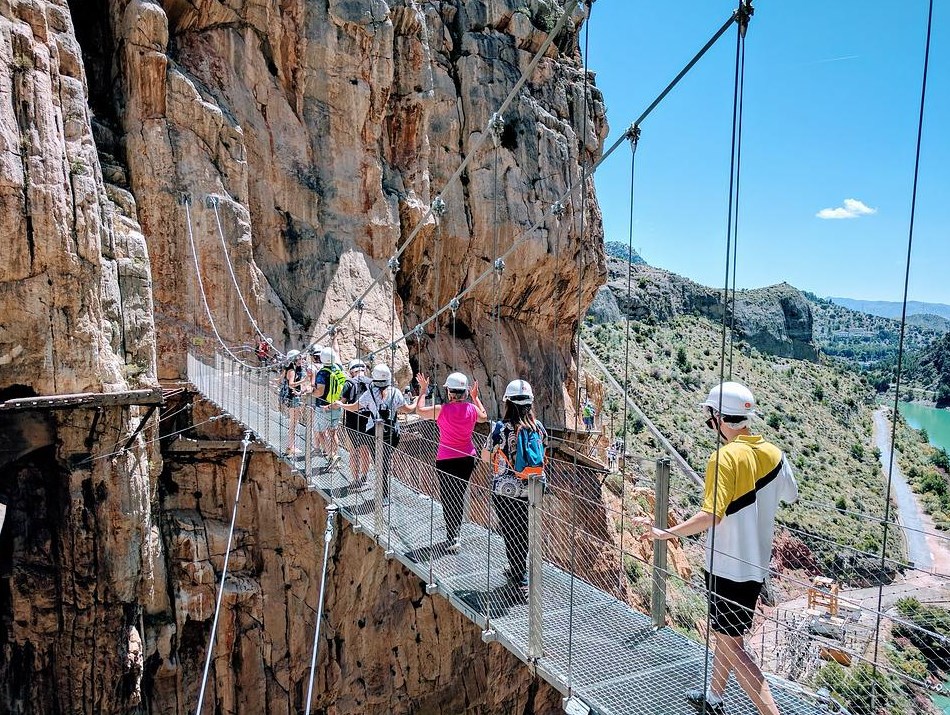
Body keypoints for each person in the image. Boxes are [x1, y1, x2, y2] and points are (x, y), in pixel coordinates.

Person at [638, 381, 798, 715]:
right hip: (755, 568)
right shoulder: (774, 455)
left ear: (717, 418)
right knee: (728, 635)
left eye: (709, 416)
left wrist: (668, 532)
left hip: (726, 568)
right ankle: (714, 696)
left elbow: (710, 515)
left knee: (733, 645)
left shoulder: (722, 458)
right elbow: (791, 496)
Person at [482, 379, 546, 595]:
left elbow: (484, 456)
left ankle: (521, 577)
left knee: (510, 532)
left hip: (505, 490)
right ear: (530, 403)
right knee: (525, 531)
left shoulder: (500, 428)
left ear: (507, 403)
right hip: (533, 489)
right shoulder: (538, 427)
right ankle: (520, 571)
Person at [415, 371, 487, 553]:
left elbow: (419, 411)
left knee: (448, 497)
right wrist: (476, 398)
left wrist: (423, 390)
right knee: (459, 494)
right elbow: (484, 417)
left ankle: (453, 535)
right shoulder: (471, 409)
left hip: (446, 459)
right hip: (468, 458)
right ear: (465, 392)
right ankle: (456, 532)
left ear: (449, 393)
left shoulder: (442, 410)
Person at [335, 364, 415, 503]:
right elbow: (407, 410)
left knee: (379, 462)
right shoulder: (395, 393)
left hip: (373, 434)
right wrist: (419, 399)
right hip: (392, 433)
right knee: (384, 462)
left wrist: (341, 404)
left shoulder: (370, 393)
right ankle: (383, 494)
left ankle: (382, 494)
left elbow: (354, 407)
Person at [340, 358, 372, 488]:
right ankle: (364, 477)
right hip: (369, 420)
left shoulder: (349, 383)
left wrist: (333, 405)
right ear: (364, 369)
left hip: (352, 421)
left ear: (352, 371)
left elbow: (342, 401)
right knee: (365, 450)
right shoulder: (372, 383)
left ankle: (355, 480)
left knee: (353, 452)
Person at [313, 347, 346, 471]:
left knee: (321, 433)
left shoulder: (322, 373)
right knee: (333, 433)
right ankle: (335, 455)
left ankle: (331, 457)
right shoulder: (338, 368)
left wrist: (311, 392)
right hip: (336, 406)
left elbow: (320, 392)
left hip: (323, 407)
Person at [278, 350, 305, 456]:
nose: (301, 360)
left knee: (293, 422)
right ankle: (291, 447)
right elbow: (291, 384)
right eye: (299, 358)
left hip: (290, 397)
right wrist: (303, 381)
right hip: (293, 398)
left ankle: (291, 446)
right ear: (294, 359)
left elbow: (280, 380)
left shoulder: (287, 368)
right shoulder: (292, 370)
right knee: (294, 423)